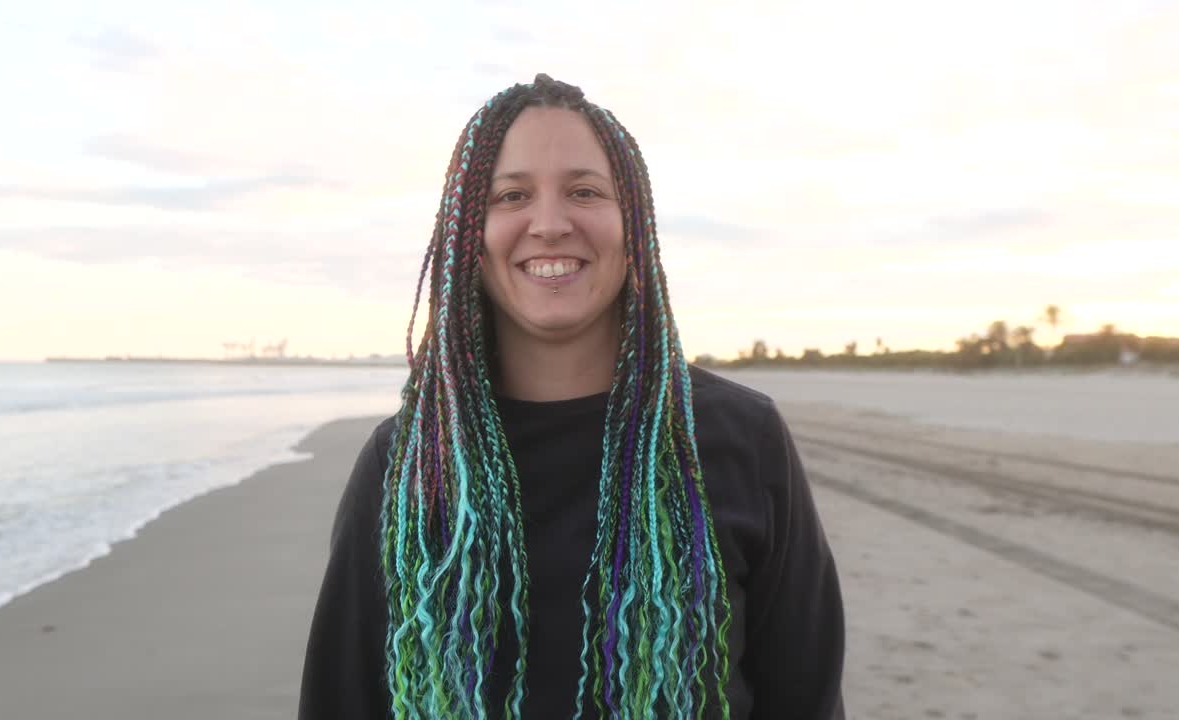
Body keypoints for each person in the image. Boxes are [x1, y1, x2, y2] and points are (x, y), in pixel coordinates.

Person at [299, 74, 846, 719]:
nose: (551, 224)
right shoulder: (409, 462)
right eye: (512, 196)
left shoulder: (739, 437)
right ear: (467, 235)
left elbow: (805, 698)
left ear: (632, 224)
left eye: (585, 192)